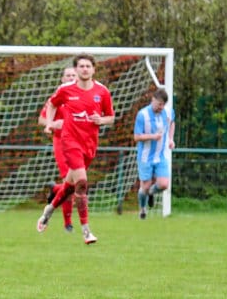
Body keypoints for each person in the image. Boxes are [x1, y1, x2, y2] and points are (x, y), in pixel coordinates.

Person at [36, 54, 114, 244]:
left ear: (93, 69)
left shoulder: (102, 91)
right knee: (81, 183)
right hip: (70, 142)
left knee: (69, 186)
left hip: (90, 144)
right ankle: (86, 231)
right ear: (76, 69)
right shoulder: (65, 90)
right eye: (81, 66)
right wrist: (50, 123)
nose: (85, 69)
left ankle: (49, 210)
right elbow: (52, 104)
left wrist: (101, 120)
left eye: (88, 66)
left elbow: (111, 117)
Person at [37, 66, 78, 232]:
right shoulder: (56, 98)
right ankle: (68, 223)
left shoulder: (82, 97)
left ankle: (55, 189)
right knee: (71, 183)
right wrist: (54, 124)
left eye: (73, 75)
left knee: (74, 183)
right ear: (62, 79)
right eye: (68, 75)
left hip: (79, 142)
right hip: (61, 142)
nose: (71, 78)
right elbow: (42, 120)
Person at [133, 87, 175, 219]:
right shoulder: (142, 115)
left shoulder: (168, 112)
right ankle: (142, 209)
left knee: (164, 184)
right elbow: (137, 137)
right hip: (145, 157)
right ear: (153, 100)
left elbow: (172, 123)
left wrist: (170, 139)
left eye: (163, 105)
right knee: (144, 187)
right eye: (159, 104)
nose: (161, 107)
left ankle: (151, 192)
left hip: (161, 155)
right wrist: (152, 136)